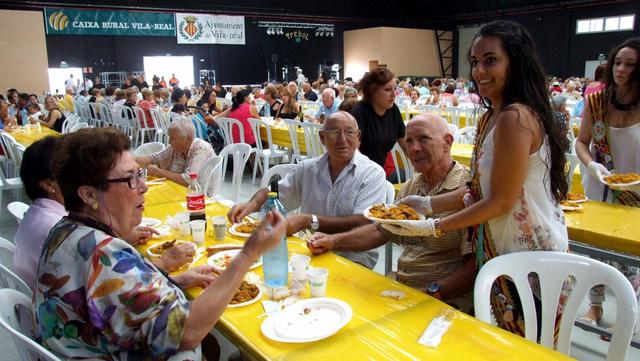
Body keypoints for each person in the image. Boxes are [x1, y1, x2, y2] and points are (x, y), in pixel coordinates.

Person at [383, 20, 569, 337]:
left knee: (524, 348)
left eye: (491, 60)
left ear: (516, 62)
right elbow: (477, 191)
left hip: (528, 257)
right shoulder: (490, 117)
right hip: (501, 252)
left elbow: (499, 202)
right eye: (475, 61)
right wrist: (426, 204)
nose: (480, 70)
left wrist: (433, 225)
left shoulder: (515, 117)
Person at [35, 127, 287, 360]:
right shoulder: (103, 255)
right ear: (89, 194)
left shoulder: (64, 230)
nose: (143, 186)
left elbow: (115, 301)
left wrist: (175, 279)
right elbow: (186, 331)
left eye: (139, 174)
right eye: (130, 178)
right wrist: (248, 254)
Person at [308, 115, 475, 312]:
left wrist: (431, 293)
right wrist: (332, 241)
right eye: (409, 141)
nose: (413, 149)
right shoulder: (412, 186)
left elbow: (473, 266)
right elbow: (381, 231)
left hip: (443, 299)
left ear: (447, 142)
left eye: (423, 139)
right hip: (400, 286)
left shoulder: (467, 192)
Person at [228, 111, 387, 269]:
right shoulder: (308, 169)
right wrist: (251, 205)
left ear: (358, 136)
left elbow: (364, 222)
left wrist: (309, 220)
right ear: (322, 138)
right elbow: (273, 194)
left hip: (352, 260)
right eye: (334, 133)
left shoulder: (372, 174)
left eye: (349, 132)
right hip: (308, 253)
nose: (342, 139)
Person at [575, 37, 640, 328]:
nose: (620, 69)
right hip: (599, 186)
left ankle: (630, 313)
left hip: (635, 193)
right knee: (593, 252)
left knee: (631, 255)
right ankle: (596, 306)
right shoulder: (596, 102)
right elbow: (581, 143)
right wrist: (591, 165)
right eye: (617, 62)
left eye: (629, 64)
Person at [350, 67, 406, 167]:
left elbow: (405, 143)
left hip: (379, 170)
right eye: (388, 89)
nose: (394, 94)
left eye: (395, 89)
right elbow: (354, 154)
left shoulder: (393, 110)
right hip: (359, 172)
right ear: (372, 92)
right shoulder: (359, 112)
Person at [136, 118, 214, 186]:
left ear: (188, 139)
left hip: (199, 196)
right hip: (180, 189)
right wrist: (128, 161)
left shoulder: (201, 149)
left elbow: (190, 180)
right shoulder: (175, 148)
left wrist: (157, 172)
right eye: (169, 138)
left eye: (173, 139)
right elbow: (154, 158)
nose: (169, 142)